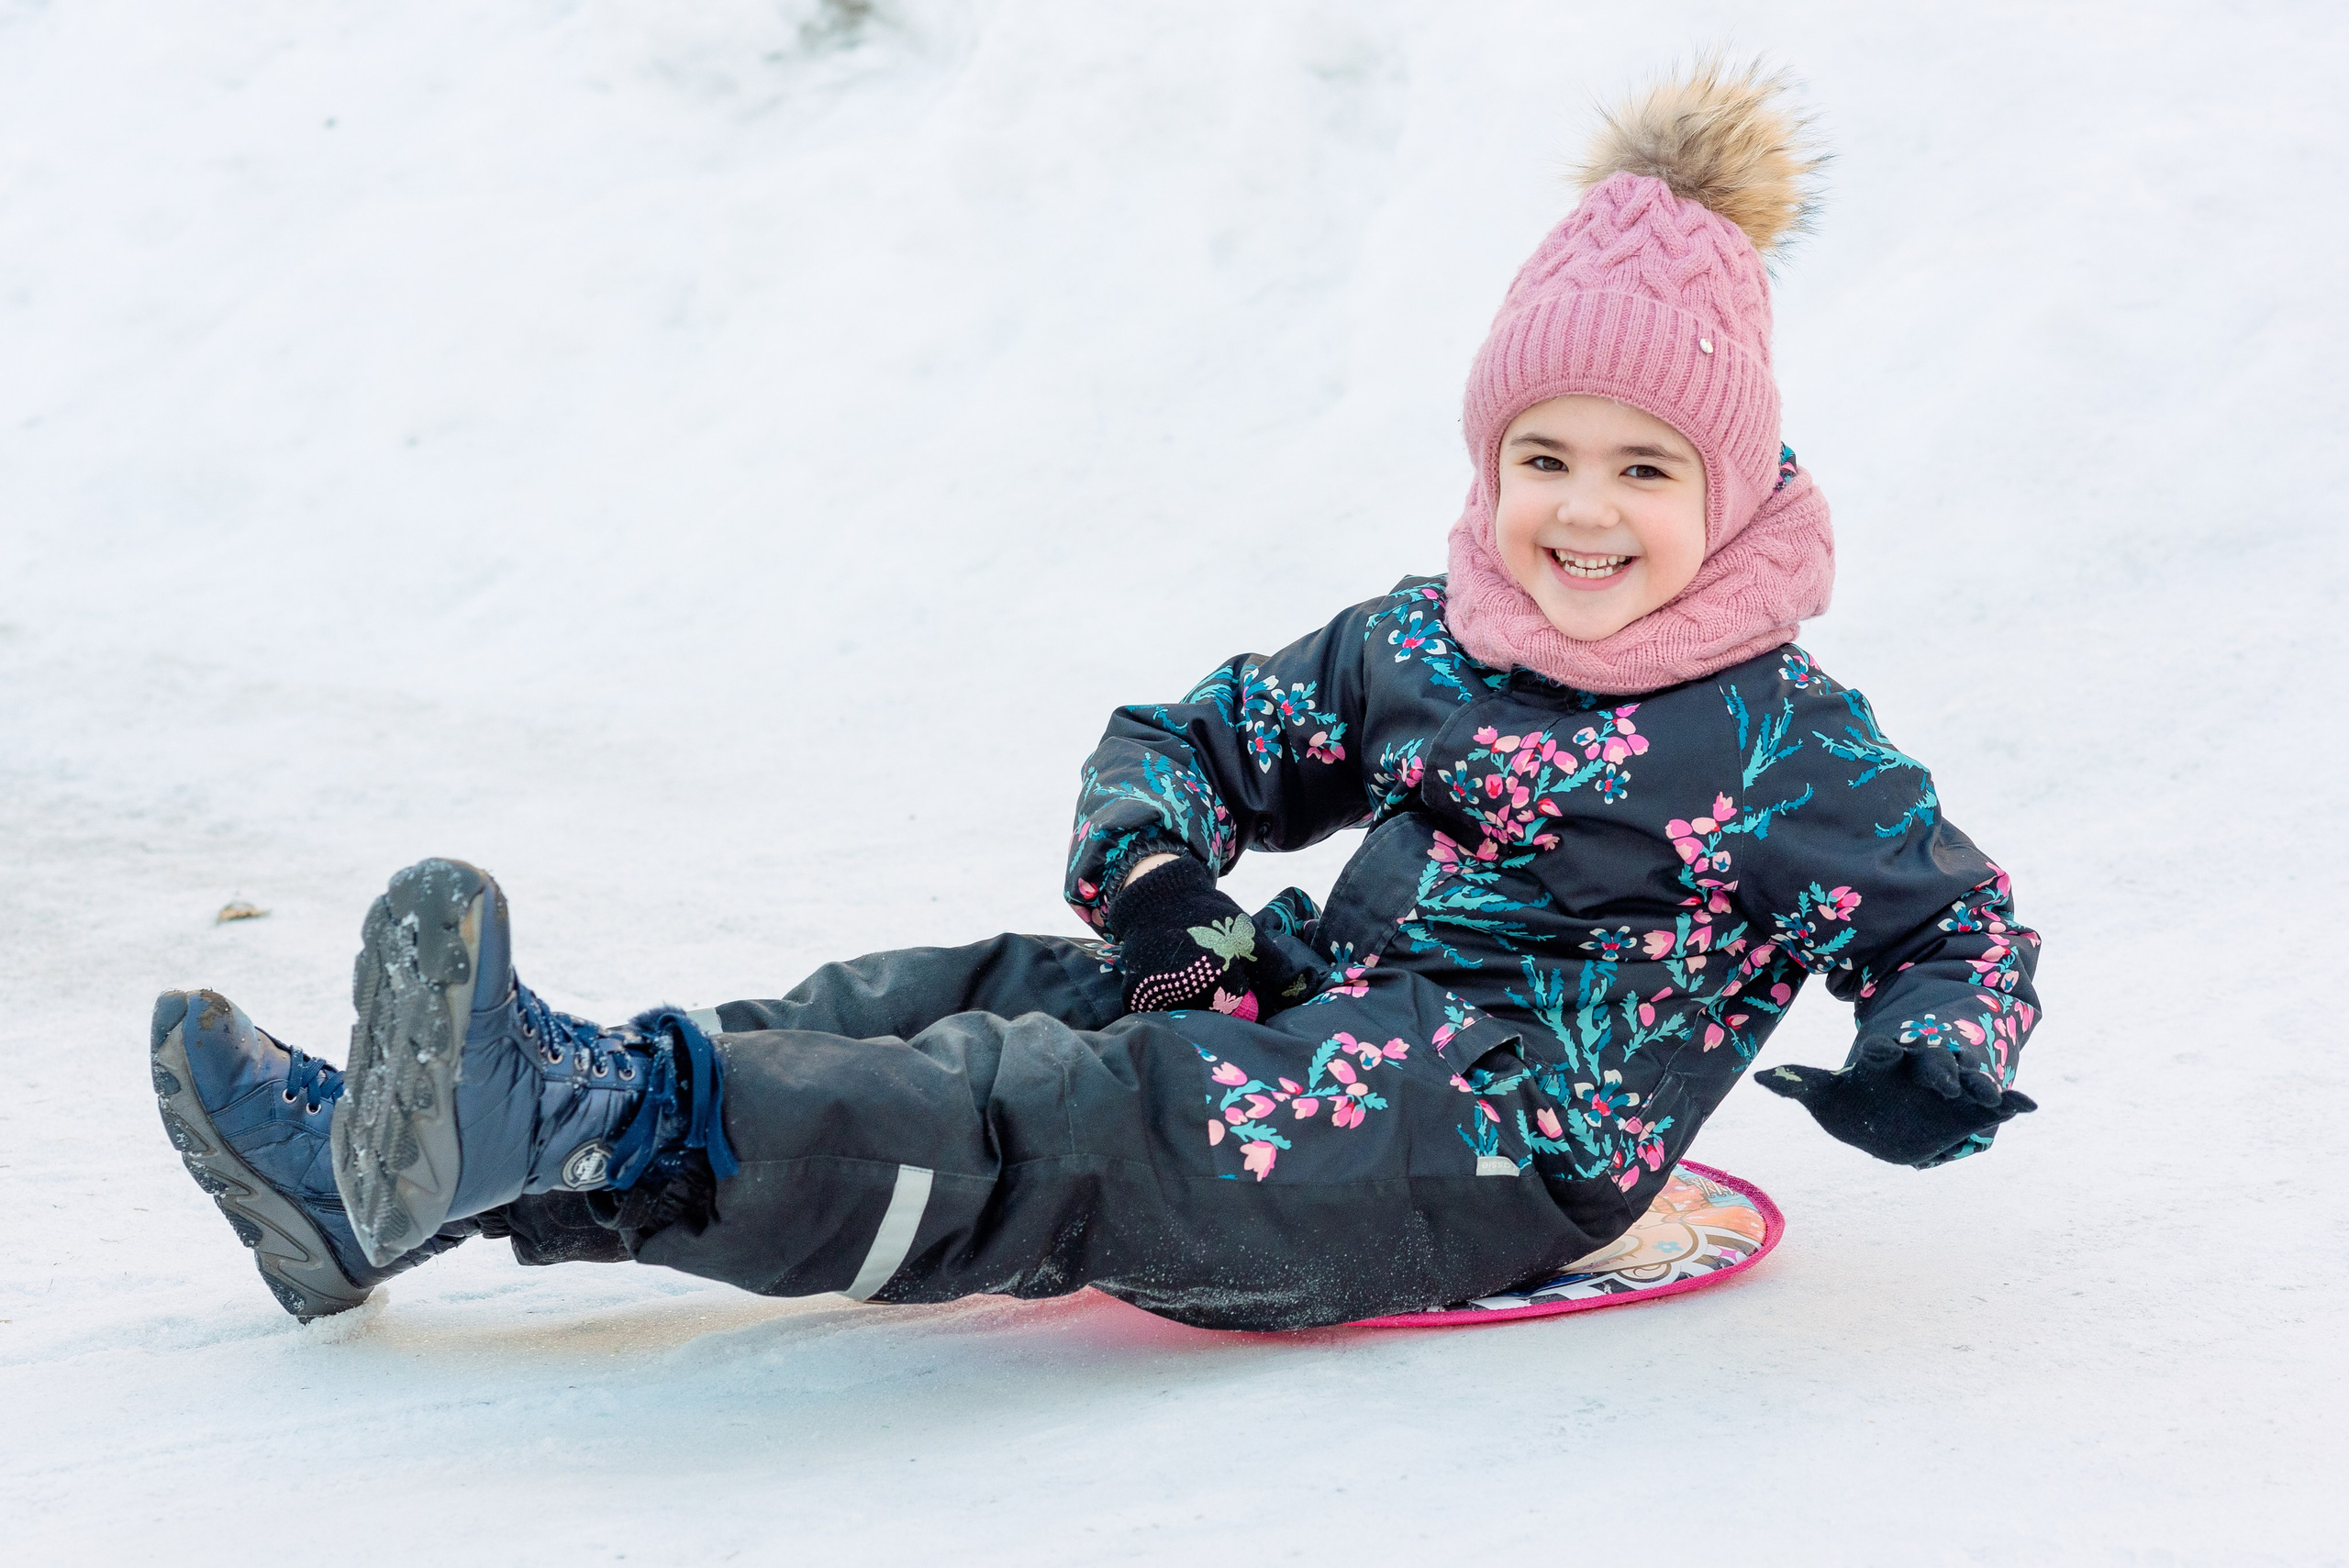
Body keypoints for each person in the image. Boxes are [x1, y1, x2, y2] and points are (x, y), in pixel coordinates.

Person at [149, 61, 2041, 1331]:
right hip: (1314, 1024)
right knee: (950, 998)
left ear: (1727, 493)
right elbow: (1188, 742)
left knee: (1043, 1110)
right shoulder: (1424, 641)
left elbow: (1946, 916)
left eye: (1643, 469)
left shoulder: (1781, 734)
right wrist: (1150, 887)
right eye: (1543, 454)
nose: (1581, 510)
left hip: (1479, 1152)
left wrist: (1935, 1053)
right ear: (1487, 463)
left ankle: (584, 1109)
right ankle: (406, 1163)